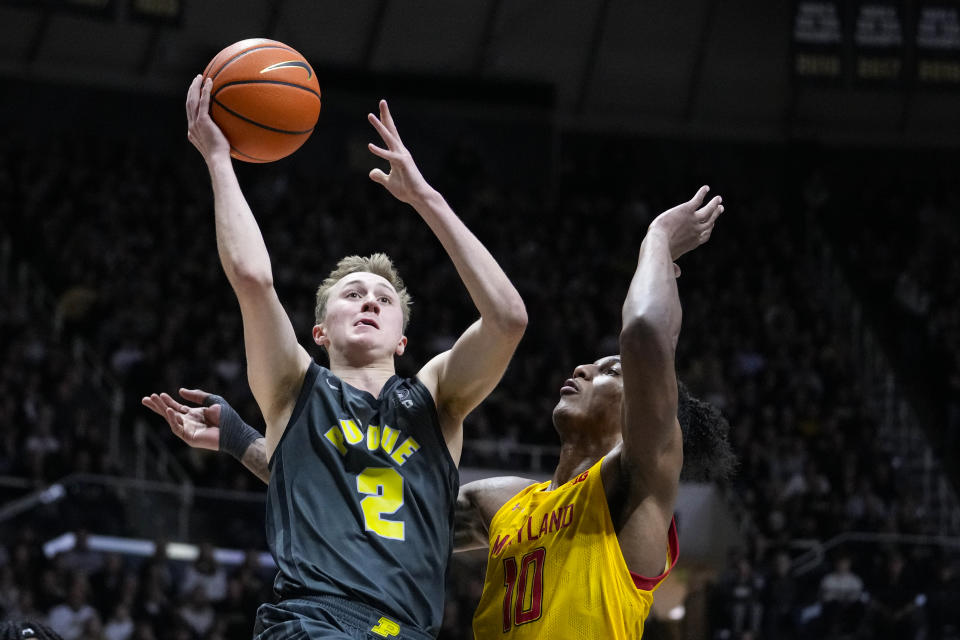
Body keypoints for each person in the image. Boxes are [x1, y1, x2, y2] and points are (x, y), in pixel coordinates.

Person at [146, 187, 734, 637]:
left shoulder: (636, 485)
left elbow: (645, 334)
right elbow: (355, 500)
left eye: (610, 371)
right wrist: (243, 439)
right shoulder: (505, 503)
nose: (584, 370)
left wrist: (656, 240)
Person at [169, 76, 527, 639]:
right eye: (352, 294)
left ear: (403, 340)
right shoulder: (293, 387)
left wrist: (425, 199)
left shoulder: (433, 398)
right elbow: (253, 279)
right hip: (312, 622)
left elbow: (507, 320)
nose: (369, 302)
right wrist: (219, 158)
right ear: (319, 330)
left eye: (384, 299)